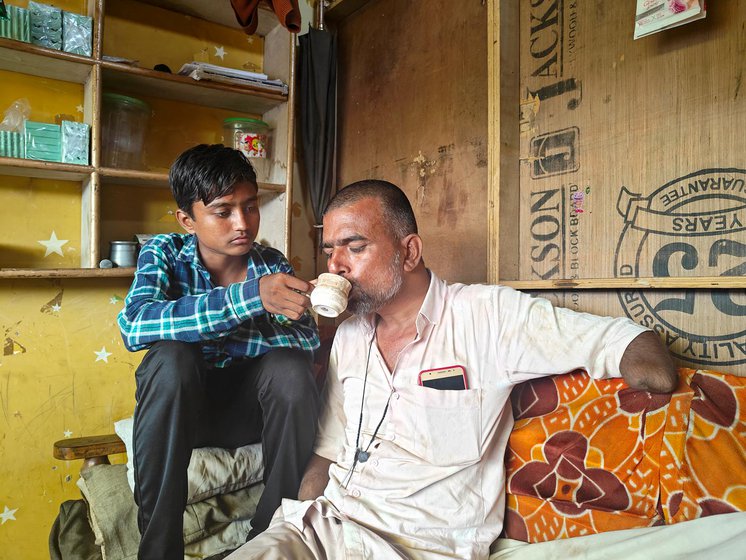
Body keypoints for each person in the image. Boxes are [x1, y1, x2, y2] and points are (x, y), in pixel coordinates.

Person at [226, 179, 678, 560]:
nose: (335, 267)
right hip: (321, 529)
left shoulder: (488, 316)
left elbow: (621, 341)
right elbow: (327, 453)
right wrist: (290, 533)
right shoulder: (349, 336)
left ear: (409, 252)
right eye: (330, 252)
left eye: (354, 247)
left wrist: (648, 374)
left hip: (414, 548)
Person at [117, 144, 321, 560]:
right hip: (186, 415)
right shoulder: (164, 253)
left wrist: (212, 327)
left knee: (290, 368)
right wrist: (249, 302)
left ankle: (266, 535)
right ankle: (158, 551)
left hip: (250, 414)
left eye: (251, 206)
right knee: (172, 358)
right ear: (187, 220)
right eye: (223, 211)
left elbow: (307, 341)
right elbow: (136, 324)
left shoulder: (271, 264)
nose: (243, 223)